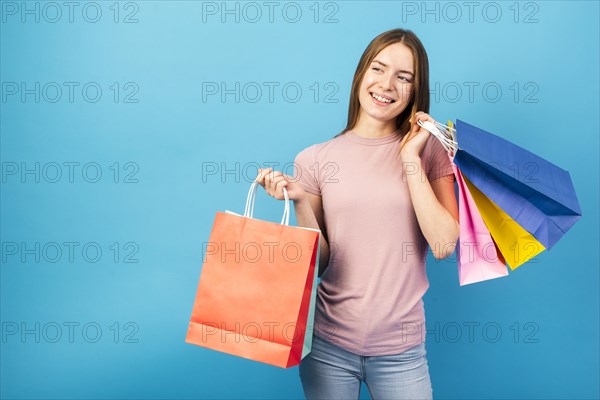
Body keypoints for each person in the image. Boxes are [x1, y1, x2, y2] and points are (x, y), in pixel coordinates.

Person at [255, 28, 459, 400]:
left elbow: (444, 243)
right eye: (378, 69)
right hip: (327, 347)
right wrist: (300, 200)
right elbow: (319, 264)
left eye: (404, 77)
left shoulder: (431, 152)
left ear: (416, 90)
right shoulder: (315, 159)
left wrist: (410, 158)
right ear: (361, 74)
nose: (387, 84)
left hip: (402, 352)